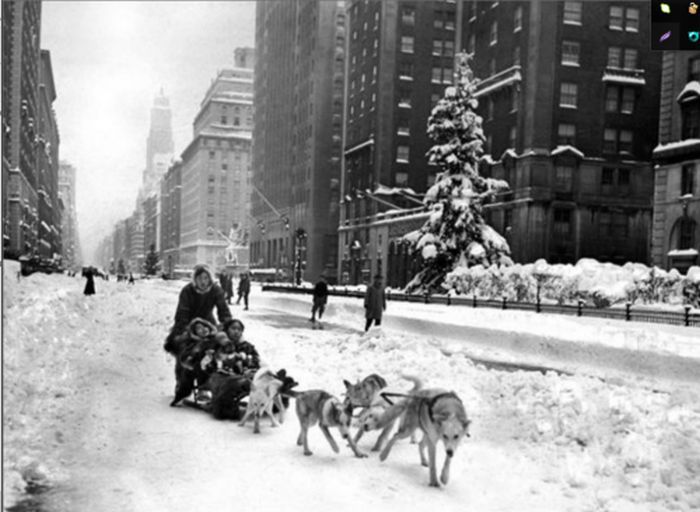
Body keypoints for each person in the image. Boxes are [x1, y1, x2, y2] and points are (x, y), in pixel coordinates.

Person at [163, 263, 232, 357]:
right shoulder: (187, 290)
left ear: (210, 279)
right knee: (184, 349)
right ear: (195, 279)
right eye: (199, 278)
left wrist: (227, 324)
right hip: (189, 322)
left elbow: (223, 310)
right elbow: (182, 312)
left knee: (218, 345)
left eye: (206, 278)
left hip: (208, 322)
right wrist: (184, 329)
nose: (203, 282)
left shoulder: (216, 290)